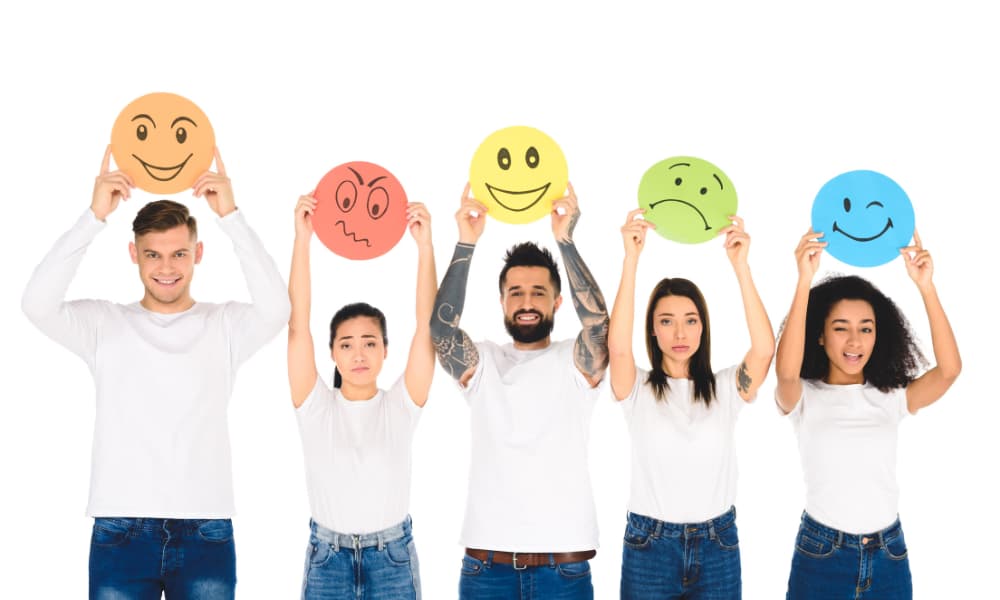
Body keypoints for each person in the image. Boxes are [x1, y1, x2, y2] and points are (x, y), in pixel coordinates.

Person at [21, 147, 290, 599]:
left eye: (179, 253)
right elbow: (36, 304)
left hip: (205, 528)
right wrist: (93, 216)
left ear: (198, 253)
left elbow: (278, 309)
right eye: (153, 255)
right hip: (120, 530)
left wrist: (231, 215)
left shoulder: (224, 325)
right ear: (134, 254)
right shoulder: (104, 325)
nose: (167, 268)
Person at [430, 183, 609, 599]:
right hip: (486, 571)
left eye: (538, 292)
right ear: (502, 301)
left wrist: (565, 240)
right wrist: (466, 243)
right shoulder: (485, 362)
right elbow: (441, 331)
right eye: (516, 292)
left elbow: (600, 327)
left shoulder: (575, 362)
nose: (526, 302)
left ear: (557, 302)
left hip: (562, 572)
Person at [775, 229, 961, 600]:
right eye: (840, 329)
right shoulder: (802, 396)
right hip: (822, 554)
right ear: (821, 336)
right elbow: (784, 373)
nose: (855, 342)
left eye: (866, 329)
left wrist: (926, 286)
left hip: (888, 554)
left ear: (880, 335)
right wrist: (804, 281)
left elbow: (949, 371)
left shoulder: (890, 397)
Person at [608, 210, 774, 599]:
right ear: (652, 328)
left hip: (717, 545)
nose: (680, 332)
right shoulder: (637, 388)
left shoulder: (725, 389)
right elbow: (616, 347)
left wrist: (740, 266)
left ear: (704, 326)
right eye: (666, 321)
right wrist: (631, 260)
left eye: (691, 320)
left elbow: (765, 350)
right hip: (650, 546)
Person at [287, 194, 436, 599]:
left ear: (386, 350)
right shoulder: (315, 406)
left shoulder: (400, 406)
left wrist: (425, 248)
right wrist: (303, 240)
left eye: (370, 343)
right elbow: (298, 325)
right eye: (347, 344)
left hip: (391, 558)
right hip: (327, 559)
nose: (358, 354)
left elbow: (427, 329)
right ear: (332, 352)